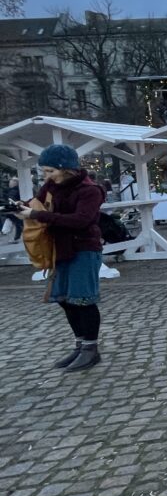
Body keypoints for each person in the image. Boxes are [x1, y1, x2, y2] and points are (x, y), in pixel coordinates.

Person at [16, 145, 106, 372]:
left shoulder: (90, 190)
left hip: (84, 249)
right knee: (65, 299)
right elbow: (37, 204)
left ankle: (91, 349)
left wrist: (37, 214)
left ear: (66, 168)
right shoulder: (51, 186)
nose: (47, 176)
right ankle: (80, 345)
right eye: (45, 172)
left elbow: (80, 220)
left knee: (82, 300)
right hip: (60, 249)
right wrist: (22, 207)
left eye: (50, 171)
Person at [4, 176, 23, 241]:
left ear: (15, 183)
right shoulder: (15, 189)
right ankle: (15, 237)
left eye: (10, 182)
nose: (9, 183)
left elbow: (11, 199)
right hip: (14, 209)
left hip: (13, 209)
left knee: (18, 223)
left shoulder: (14, 190)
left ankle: (16, 237)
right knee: (17, 223)